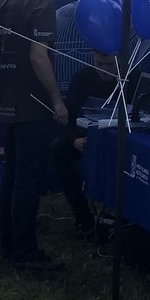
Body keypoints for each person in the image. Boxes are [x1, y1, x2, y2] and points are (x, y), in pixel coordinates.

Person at [0, 0, 67, 276]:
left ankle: (9, 248)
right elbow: (38, 56)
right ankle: (25, 253)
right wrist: (57, 100)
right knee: (27, 183)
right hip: (33, 106)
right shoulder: (38, 4)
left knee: (11, 178)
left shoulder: (0, 0)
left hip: (7, 103)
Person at [52, 50, 129, 238]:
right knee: (58, 150)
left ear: (119, 61)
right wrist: (73, 140)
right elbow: (69, 117)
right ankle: (83, 217)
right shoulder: (83, 78)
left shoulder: (131, 78)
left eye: (109, 65)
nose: (103, 70)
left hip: (125, 140)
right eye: (99, 64)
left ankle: (129, 215)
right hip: (87, 137)